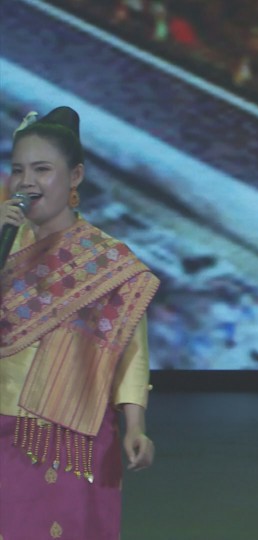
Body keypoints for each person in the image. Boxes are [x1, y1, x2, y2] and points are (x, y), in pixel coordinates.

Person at [0, 107, 161, 539]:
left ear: (75, 177)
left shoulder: (107, 261)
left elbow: (130, 350)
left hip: (74, 435)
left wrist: (136, 426)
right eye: (18, 170)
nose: (26, 182)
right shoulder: (5, 243)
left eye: (42, 169)